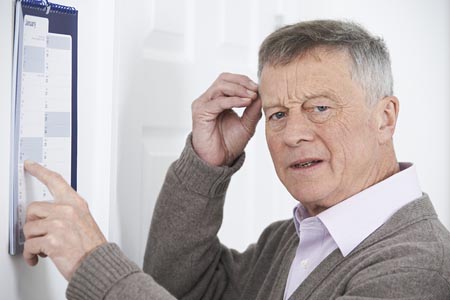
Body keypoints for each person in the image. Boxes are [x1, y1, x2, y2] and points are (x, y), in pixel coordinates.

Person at [23, 20, 450, 300]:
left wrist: (91, 264)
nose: (293, 133)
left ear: (385, 117)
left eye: (320, 107)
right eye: (278, 114)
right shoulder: (292, 239)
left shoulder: (418, 267)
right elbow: (182, 288)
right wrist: (204, 167)